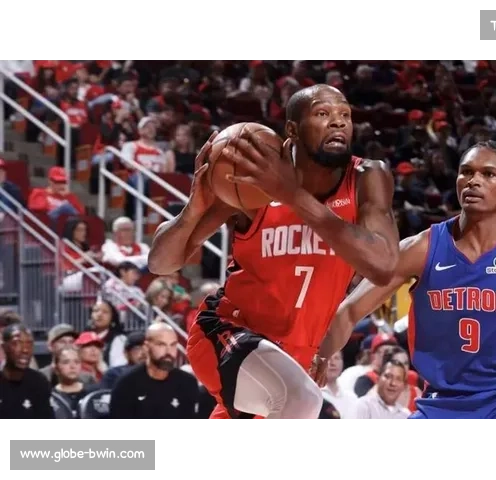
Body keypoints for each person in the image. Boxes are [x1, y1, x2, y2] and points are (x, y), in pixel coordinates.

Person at [148, 84, 400, 421]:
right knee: (302, 399)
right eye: (322, 114)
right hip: (228, 333)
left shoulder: (367, 176)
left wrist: (293, 195)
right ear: (292, 130)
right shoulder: (254, 176)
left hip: (294, 360)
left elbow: (383, 266)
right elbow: (161, 263)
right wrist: (193, 210)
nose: (338, 122)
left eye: (345, 114)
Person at [317, 140, 496, 421]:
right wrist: (318, 356)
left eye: (488, 174)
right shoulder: (421, 248)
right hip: (443, 402)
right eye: (466, 172)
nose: (473, 181)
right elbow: (349, 311)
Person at [109, 323, 201, 423]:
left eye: (173, 345)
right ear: (146, 347)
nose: (168, 352)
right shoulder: (126, 383)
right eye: (161, 344)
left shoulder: (187, 382)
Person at [0, 324, 55, 423]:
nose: (25, 350)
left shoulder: (39, 382)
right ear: (4, 347)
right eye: (17, 343)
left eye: (29, 344)